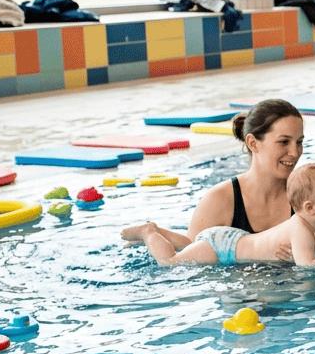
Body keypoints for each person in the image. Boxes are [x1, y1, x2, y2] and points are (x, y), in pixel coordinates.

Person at [120, 99, 304, 257]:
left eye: (299, 142)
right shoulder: (222, 199)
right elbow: (191, 250)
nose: (295, 152)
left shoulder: (305, 194)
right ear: (253, 143)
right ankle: (149, 231)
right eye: (284, 142)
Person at [125, 163, 315, 265]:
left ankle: (159, 232)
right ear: (310, 208)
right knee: (170, 262)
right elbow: (308, 264)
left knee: (188, 244)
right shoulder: (301, 230)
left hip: (231, 238)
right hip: (223, 249)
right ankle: (149, 233)